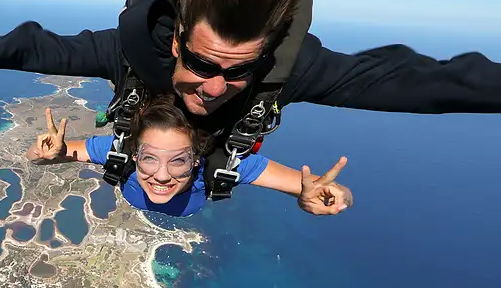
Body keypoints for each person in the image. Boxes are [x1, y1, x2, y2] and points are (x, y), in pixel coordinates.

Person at [0, 0, 501, 199]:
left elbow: (430, 84)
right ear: (175, 42)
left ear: (264, 56)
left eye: (236, 72)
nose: (215, 87)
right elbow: (33, 48)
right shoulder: (130, 56)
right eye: (203, 64)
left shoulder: (286, 72)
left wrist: (61, 153)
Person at [26, 103, 351, 218]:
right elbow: (40, 158)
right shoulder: (119, 150)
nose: (162, 176)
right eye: (149, 159)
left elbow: (335, 192)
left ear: (197, 160)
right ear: (135, 155)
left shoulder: (224, 165)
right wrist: (43, 154)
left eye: (179, 161)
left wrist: (330, 197)